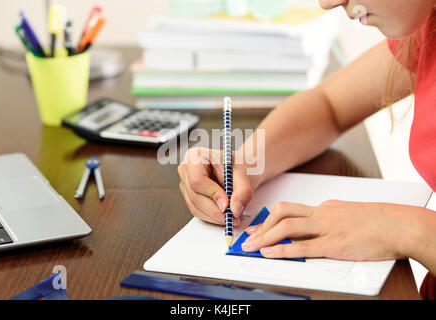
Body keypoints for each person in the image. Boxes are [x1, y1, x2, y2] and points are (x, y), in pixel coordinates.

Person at [177, 0, 436, 299]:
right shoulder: (425, 29)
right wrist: (246, 164)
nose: (327, 3)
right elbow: (329, 106)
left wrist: (407, 229)